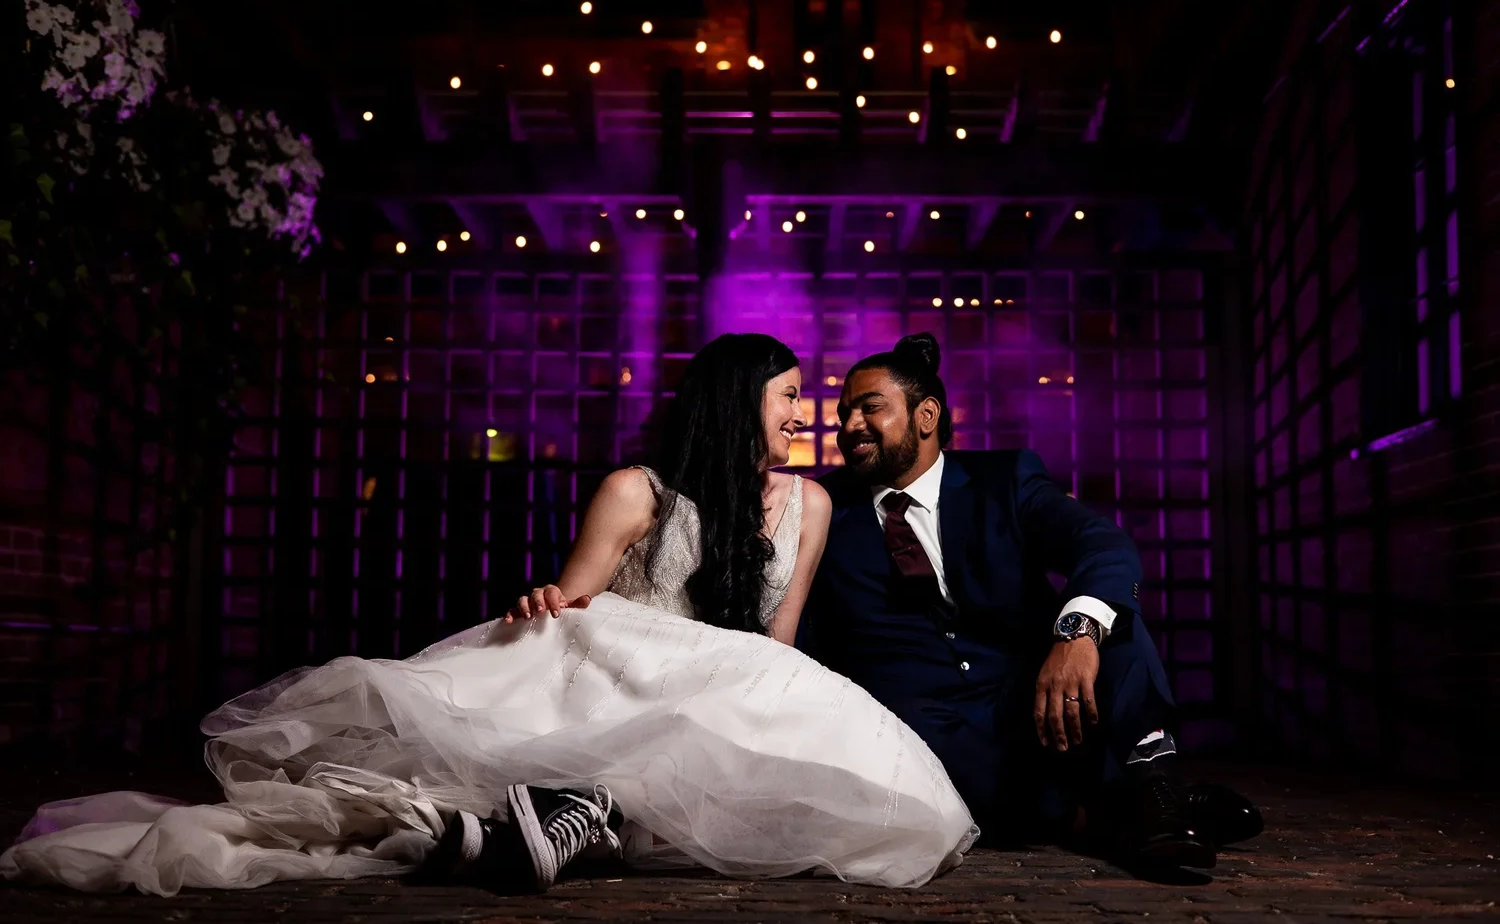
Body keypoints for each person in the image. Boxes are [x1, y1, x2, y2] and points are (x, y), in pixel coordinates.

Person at [0, 333, 977, 896]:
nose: (800, 413)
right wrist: (545, 604)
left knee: (815, 734)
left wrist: (778, 718)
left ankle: (570, 818)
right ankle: (552, 812)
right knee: (569, 710)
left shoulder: (806, 504)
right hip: (626, 665)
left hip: (731, 679)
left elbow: (779, 641)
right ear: (737, 404)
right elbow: (578, 596)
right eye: (788, 396)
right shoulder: (637, 488)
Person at [799, 333, 1262, 873]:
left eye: (869, 408)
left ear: (926, 416)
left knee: (1113, 619)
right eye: (844, 413)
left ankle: (1154, 781)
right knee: (938, 790)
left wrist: (1077, 635)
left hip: (1033, 686)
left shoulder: (1005, 480)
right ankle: (1141, 813)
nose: (849, 425)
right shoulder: (825, 509)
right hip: (928, 724)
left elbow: (1102, 544)